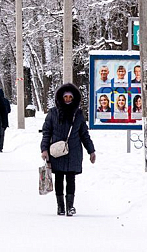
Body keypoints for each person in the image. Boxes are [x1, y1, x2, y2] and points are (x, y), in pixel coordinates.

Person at [41, 83, 96, 216]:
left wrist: (91, 150)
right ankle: (60, 206)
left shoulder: (78, 114)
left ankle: (70, 206)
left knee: (71, 178)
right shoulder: (53, 113)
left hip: (74, 151)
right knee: (59, 178)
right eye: (65, 96)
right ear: (60, 97)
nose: (67, 99)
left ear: (74, 98)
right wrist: (44, 149)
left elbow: (84, 134)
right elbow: (46, 132)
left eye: (70, 96)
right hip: (57, 151)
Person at [0, 88, 11, 153]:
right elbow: (9, 110)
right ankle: (0, 147)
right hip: (4, 120)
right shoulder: (6, 101)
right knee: (2, 135)